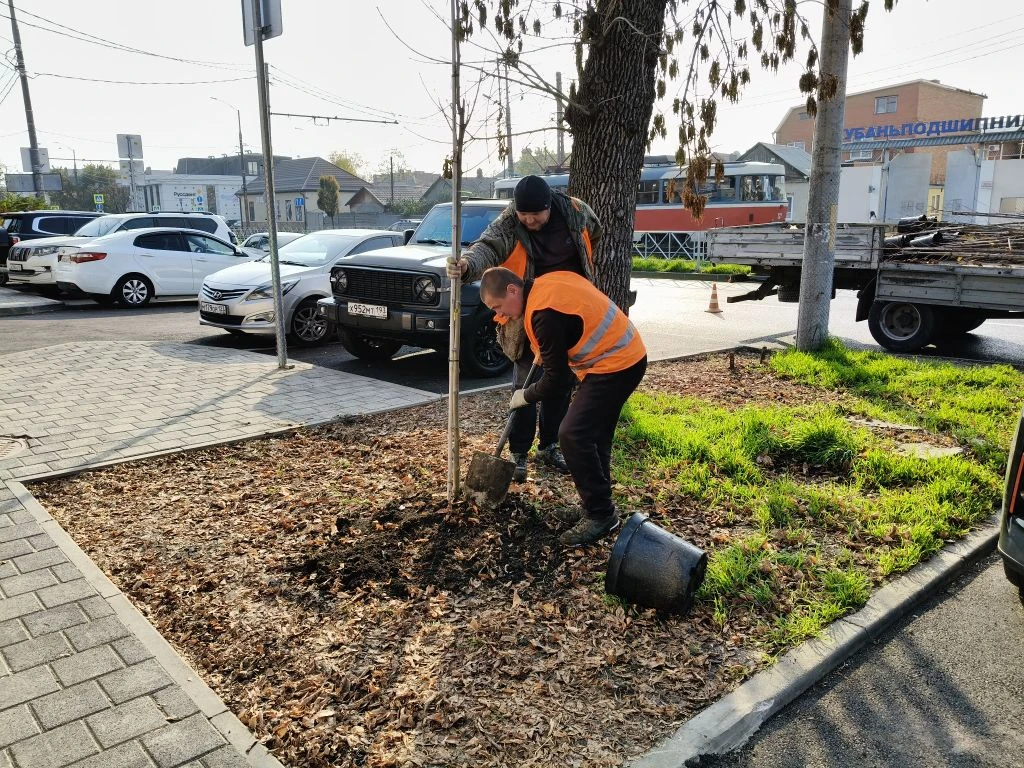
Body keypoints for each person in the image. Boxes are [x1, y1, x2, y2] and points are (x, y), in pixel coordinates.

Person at [448, 175, 603, 483]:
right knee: (524, 385)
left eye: (537, 214)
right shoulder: (510, 221)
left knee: (561, 382)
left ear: (549, 207)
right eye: (524, 215)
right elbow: (488, 247)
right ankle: (519, 452)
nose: (530, 220)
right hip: (526, 312)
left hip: (570, 313)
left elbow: (595, 233)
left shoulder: (575, 211)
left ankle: (549, 445)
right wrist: (467, 266)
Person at [479, 266, 647, 546]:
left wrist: (526, 395)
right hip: (624, 355)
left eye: (500, 307)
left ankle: (601, 514)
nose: (502, 316)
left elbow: (556, 381)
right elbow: (565, 332)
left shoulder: (542, 314)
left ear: (512, 290)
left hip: (616, 363)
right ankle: (596, 505)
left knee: (572, 434)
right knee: (594, 435)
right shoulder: (543, 285)